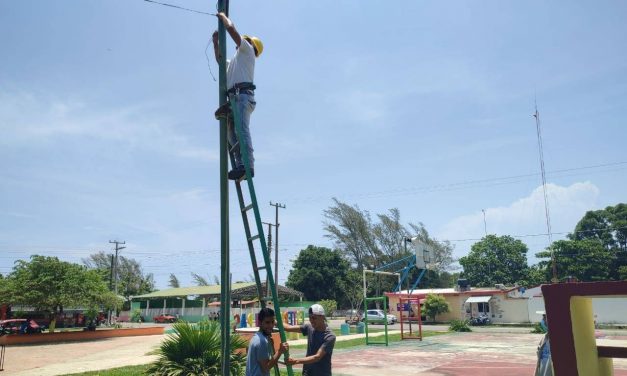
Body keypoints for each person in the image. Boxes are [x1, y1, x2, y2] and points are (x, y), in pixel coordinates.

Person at [212, 12, 264, 181]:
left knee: (241, 130)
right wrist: (215, 42)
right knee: (231, 134)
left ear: (251, 44)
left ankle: (247, 165)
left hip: (242, 97)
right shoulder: (236, 61)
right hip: (234, 99)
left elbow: (232, 30)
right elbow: (220, 61)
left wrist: (223, 17)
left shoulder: (248, 51)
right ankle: (240, 165)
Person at [283, 304, 336, 376]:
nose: (311, 321)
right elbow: (288, 328)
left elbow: (317, 357)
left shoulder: (329, 336)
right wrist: (274, 320)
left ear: (322, 317)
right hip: (307, 372)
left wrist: (295, 361)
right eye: (310, 318)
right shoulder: (309, 327)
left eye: (314, 318)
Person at [246, 307, 288, 376]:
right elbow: (266, 367)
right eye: (267, 322)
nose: (271, 325)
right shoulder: (262, 341)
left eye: (272, 322)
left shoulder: (256, 337)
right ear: (260, 323)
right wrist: (280, 351)